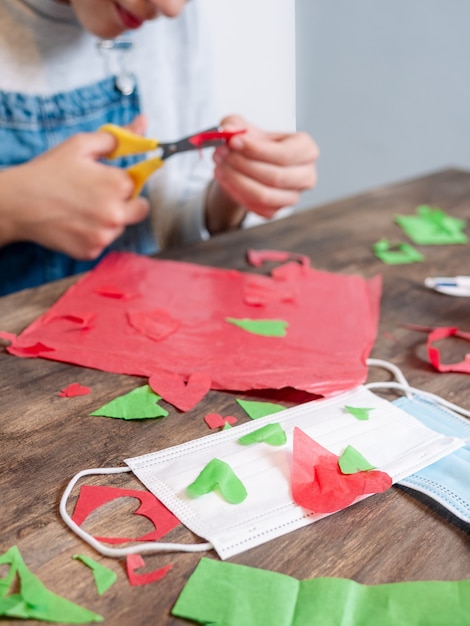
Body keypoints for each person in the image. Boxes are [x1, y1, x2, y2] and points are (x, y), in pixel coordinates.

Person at [0, 0, 319, 296]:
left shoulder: (171, 27)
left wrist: (227, 200)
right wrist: (11, 208)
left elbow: (169, 225)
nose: (170, 9)